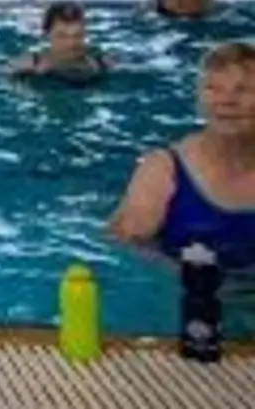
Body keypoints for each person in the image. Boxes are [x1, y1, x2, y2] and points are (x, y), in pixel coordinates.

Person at [109, 41, 255, 271]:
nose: (227, 101)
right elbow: (123, 248)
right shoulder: (163, 171)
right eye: (213, 89)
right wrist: (182, 271)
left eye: (243, 90)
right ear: (199, 101)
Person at [10, 2, 110, 82]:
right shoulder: (31, 63)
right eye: (62, 36)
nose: (71, 43)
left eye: (77, 35)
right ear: (47, 35)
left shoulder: (101, 61)